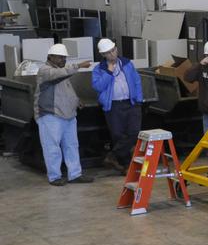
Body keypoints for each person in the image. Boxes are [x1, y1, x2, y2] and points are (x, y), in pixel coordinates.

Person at [34, 44, 93, 186]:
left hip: (68, 115)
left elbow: (66, 89)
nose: (63, 60)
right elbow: (58, 75)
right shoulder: (45, 71)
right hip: (51, 115)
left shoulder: (62, 72)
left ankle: (75, 174)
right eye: (60, 57)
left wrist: (76, 100)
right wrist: (78, 66)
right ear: (50, 57)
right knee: (51, 147)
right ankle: (54, 176)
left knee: (72, 146)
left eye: (64, 57)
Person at [90, 38, 143, 172]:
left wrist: (138, 99)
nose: (112, 54)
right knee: (118, 135)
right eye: (108, 52)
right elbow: (98, 86)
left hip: (130, 103)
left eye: (113, 50)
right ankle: (126, 166)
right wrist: (108, 72)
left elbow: (136, 80)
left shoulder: (127, 64)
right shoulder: (99, 69)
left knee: (134, 132)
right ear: (103, 55)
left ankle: (112, 156)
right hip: (113, 106)